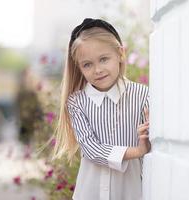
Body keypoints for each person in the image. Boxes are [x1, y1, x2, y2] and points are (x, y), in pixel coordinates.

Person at [52, 18, 151, 200]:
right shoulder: (77, 102)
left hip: (129, 193)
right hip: (89, 193)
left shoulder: (143, 95)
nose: (97, 70)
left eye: (104, 59)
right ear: (79, 67)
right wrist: (137, 151)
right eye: (87, 64)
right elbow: (91, 149)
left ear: (120, 54)